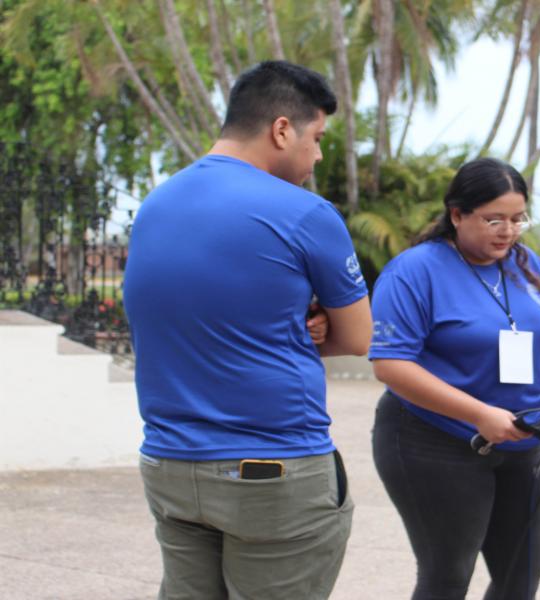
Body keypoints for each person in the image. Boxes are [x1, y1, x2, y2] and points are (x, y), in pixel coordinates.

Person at [122, 60, 372, 599]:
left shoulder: (154, 206)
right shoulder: (306, 213)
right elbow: (358, 337)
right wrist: (296, 330)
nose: (319, 154)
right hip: (271, 469)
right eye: (318, 137)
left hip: (169, 463)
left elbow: (168, 318)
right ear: (282, 129)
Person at [368, 157, 540, 599]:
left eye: (517, 219)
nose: (507, 232)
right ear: (457, 215)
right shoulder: (415, 271)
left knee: (523, 572)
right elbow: (391, 365)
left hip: (525, 439)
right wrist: (477, 414)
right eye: (494, 219)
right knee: (448, 574)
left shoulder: (528, 265)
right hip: (434, 439)